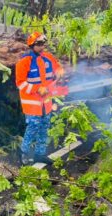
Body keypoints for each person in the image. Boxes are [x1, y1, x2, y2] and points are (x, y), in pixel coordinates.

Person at [15, 31, 68, 165]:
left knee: (44, 128)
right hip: (32, 103)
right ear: (32, 45)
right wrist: (37, 88)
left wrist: (60, 72)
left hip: (46, 102)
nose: (42, 47)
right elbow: (20, 83)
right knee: (33, 128)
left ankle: (40, 154)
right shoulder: (24, 61)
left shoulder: (48, 57)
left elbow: (58, 68)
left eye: (43, 44)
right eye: (39, 45)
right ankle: (23, 153)